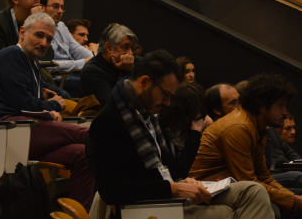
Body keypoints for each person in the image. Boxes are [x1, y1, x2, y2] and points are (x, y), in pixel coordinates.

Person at [86, 50, 274, 219]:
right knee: (226, 213)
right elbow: (111, 190)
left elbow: (171, 170)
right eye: (166, 95)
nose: (167, 103)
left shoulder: (148, 116)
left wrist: (183, 182)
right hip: (143, 209)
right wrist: (172, 189)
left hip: (167, 196)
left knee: (253, 191)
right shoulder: (107, 122)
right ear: (144, 82)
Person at [0, 13, 95, 210]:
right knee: (91, 135)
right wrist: (54, 106)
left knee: (83, 155)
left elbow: (27, 103)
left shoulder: (31, 62)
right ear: (22, 32)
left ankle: (77, 214)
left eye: (49, 39)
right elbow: (23, 104)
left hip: (25, 131)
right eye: (39, 35)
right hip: (8, 129)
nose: (44, 43)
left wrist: (45, 108)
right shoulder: (12, 54)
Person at [189, 73, 302, 219]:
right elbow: (248, 183)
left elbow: (264, 176)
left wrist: (295, 199)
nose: (285, 112)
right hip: (206, 189)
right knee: (294, 207)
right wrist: (296, 201)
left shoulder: (259, 127)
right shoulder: (238, 127)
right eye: (280, 105)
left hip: (230, 186)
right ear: (262, 106)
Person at [40, 0, 93, 97]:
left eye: (62, 7)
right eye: (55, 6)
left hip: (72, 73)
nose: (60, 11)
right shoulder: (38, 29)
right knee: (94, 82)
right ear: (42, 7)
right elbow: (49, 66)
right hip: (57, 78)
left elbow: (76, 49)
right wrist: (83, 62)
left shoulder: (61, 26)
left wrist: (97, 58)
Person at [80, 23, 137, 107]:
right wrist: (125, 72)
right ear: (109, 48)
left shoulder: (131, 61)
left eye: (131, 48)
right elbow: (115, 105)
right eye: (125, 47)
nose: (130, 53)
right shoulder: (91, 72)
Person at [159, 82, 212, 157]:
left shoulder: (203, 121)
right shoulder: (162, 130)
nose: (195, 125)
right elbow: (180, 164)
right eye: (191, 120)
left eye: (197, 120)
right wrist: (194, 134)